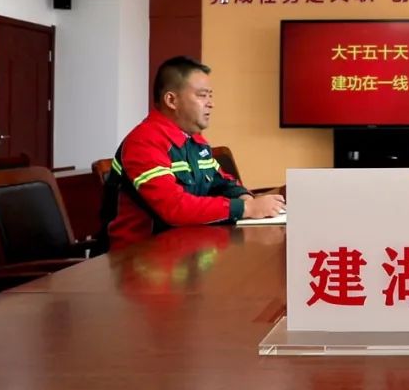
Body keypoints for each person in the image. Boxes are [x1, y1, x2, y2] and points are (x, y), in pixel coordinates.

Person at [102, 56, 285, 251]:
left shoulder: (195, 141)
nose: (211, 103)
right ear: (171, 100)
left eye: (210, 96)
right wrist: (246, 209)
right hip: (138, 256)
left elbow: (222, 182)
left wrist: (246, 198)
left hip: (186, 249)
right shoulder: (144, 142)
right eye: (202, 95)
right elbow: (173, 208)